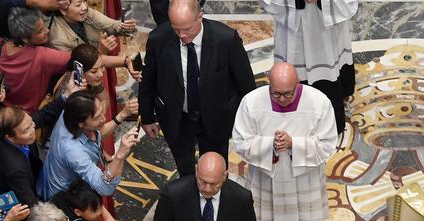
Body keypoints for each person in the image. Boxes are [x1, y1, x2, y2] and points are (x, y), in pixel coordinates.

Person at [232, 62, 336, 221]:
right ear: (268, 84)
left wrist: (294, 144)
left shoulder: (319, 102)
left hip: (304, 182)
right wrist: (269, 144)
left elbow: (328, 144)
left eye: (287, 93)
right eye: (275, 93)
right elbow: (241, 141)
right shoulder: (251, 101)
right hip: (267, 181)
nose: (281, 99)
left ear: (297, 84)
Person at [138, 0, 255, 176]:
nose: (182, 35)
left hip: (216, 118)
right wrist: (147, 118)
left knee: (215, 171)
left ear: (200, 16)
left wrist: (250, 121)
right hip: (177, 117)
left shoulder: (226, 39)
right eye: (176, 29)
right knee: (185, 170)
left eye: (187, 29)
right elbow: (148, 81)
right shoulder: (158, 39)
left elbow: (246, 84)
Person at [264, 0, 356, 136]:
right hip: (295, 16)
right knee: (295, 60)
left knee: (328, 55)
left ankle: (330, 119)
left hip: (324, 21)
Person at [38, 90, 140, 200]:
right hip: (64, 199)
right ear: (81, 123)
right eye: (97, 117)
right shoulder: (74, 152)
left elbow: (96, 137)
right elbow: (104, 187)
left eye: (102, 112)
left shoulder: (71, 112)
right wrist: (120, 155)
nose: (104, 119)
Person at [0, 9, 70, 115]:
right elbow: (77, 59)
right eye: (40, 31)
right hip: (29, 118)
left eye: (44, 25)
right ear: (24, 38)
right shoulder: (43, 56)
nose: (47, 31)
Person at [45, 0, 136, 52]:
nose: (85, 7)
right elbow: (74, 68)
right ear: (63, 10)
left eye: (85, 1)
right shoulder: (58, 39)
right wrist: (101, 51)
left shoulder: (87, 13)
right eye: (78, 5)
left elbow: (111, 24)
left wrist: (125, 27)